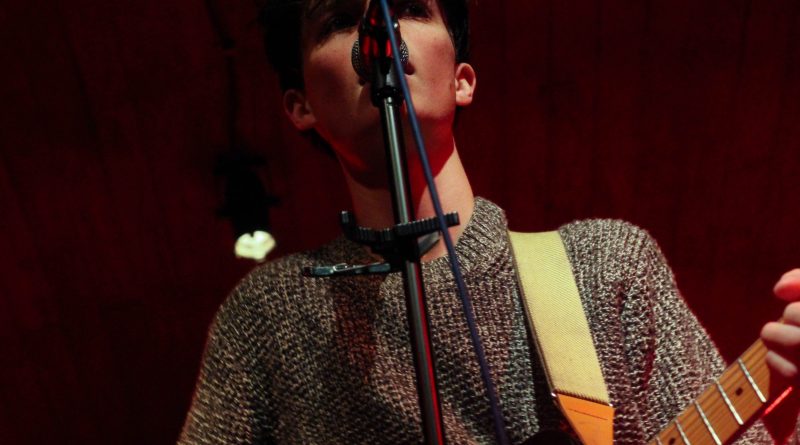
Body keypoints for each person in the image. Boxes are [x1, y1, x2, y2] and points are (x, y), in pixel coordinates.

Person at [178, 0, 800, 443]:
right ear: (300, 106)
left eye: (411, 9)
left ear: (463, 80)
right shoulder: (268, 317)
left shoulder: (604, 267)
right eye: (340, 21)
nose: (380, 30)